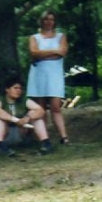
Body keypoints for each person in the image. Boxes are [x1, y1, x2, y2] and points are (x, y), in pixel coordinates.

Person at [27, 9, 70, 144]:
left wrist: (43, 54)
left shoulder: (61, 37)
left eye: (51, 19)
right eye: (46, 19)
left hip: (54, 75)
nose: (49, 22)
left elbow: (63, 52)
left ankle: (64, 137)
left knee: (56, 106)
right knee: (41, 107)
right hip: (38, 74)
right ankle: (44, 138)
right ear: (42, 21)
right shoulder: (34, 37)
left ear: (54, 21)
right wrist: (54, 52)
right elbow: (34, 52)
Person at [0, 76, 53, 156]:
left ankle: (46, 143)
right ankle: (0, 146)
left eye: (20, 88)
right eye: (15, 88)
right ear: (7, 89)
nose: (18, 90)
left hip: (20, 132)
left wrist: (27, 118)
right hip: (4, 133)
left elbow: (40, 110)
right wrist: (15, 120)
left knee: (34, 114)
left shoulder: (23, 100)